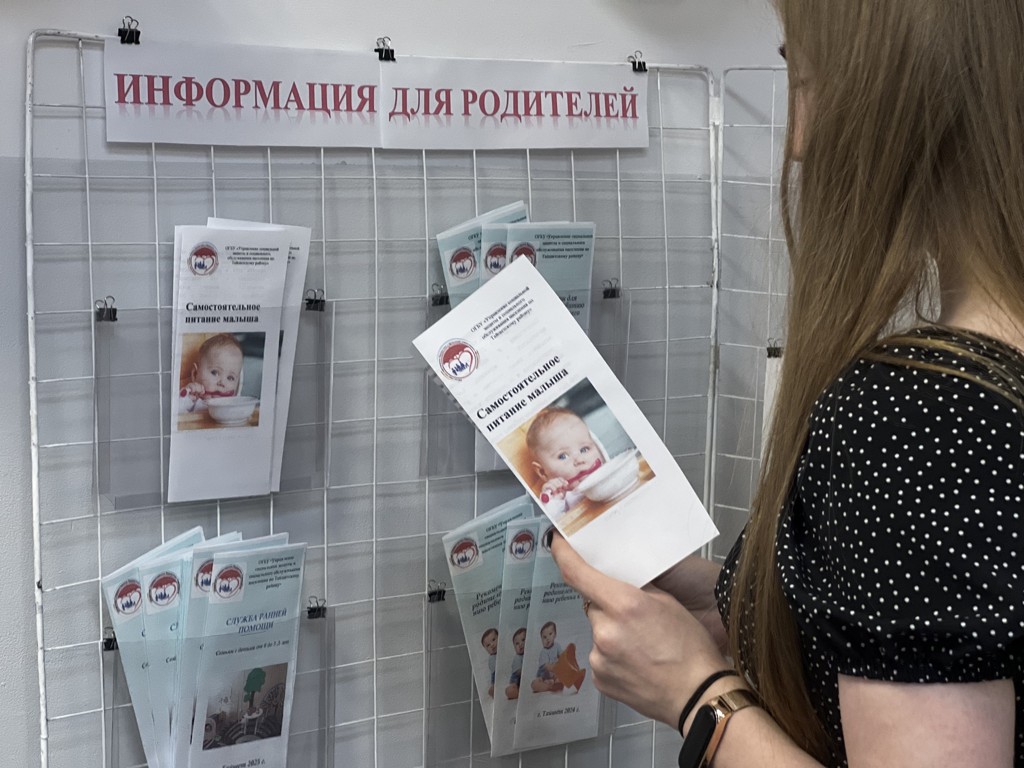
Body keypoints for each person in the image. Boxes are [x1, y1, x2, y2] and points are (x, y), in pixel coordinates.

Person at [551, 2, 1024, 766]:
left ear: (897, 97)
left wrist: (700, 701)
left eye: (804, 81)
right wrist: (738, 605)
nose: (797, 142)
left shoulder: (918, 417)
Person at [526, 407, 604, 518]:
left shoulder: (607, 471)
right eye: (563, 456)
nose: (579, 460)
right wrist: (552, 501)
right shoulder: (561, 500)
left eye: (584, 449)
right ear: (543, 472)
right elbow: (551, 520)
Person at [179, 334, 243, 413]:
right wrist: (186, 398)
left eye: (230, 378)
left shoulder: (235, 406)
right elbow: (175, 412)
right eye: (214, 372)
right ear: (195, 374)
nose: (222, 383)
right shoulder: (194, 401)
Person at [505, 627, 527, 700]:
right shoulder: (517, 658)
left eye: (523, 640)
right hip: (516, 681)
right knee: (511, 689)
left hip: (525, 680)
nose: (520, 644)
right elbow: (518, 672)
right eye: (517, 643)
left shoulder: (528, 655)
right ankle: (515, 692)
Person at [481, 627, 498, 698]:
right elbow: (494, 673)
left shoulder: (505, 649)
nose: (492, 645)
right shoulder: (492, 658)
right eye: (488, 645)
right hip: (496, 674)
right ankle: (493, 689)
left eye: (493, 640)